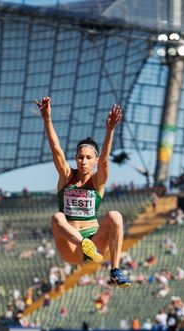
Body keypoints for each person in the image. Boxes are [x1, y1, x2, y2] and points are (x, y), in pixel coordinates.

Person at [36, 97, 130, 287]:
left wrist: (110, 131)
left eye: (88, 158)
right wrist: (47, 119)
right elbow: (56, 150)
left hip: (95, 241)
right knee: (57, 217)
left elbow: (105, 160)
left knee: (115, 216)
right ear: (75, 158)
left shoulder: (97, 182)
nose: (83, 161)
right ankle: (83, 244)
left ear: (94, 161)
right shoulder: (66, 176)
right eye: (80, 157)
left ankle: (115, 271)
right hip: (71, 246)